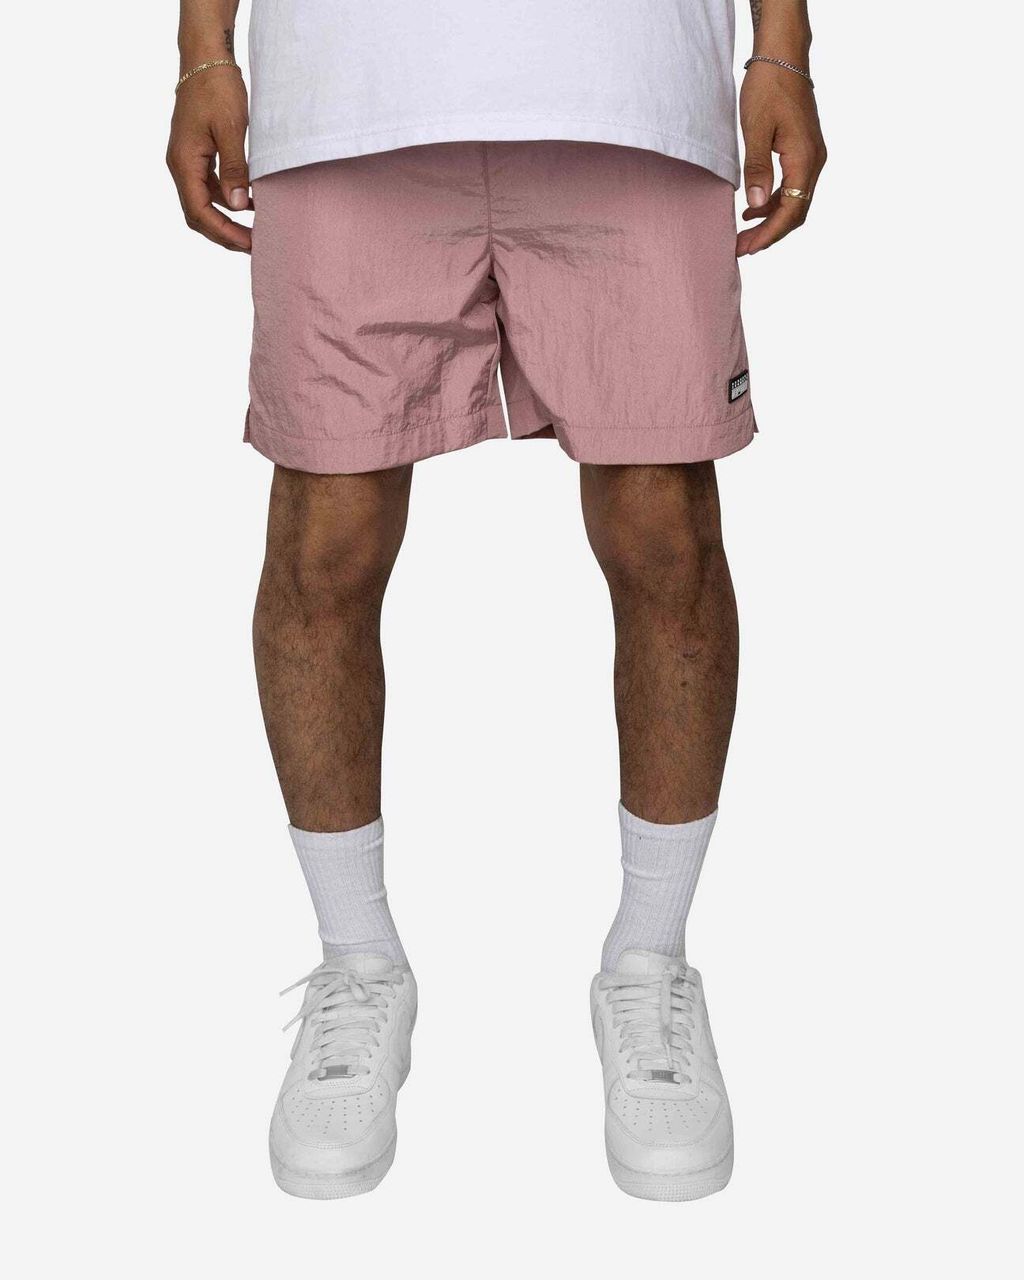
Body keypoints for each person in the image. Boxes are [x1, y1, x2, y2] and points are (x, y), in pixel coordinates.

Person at [167, 0, 826, 1202]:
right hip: (348, 91)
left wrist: (781, 47)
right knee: (327, 534)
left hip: (626, 85)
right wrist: (200, 51)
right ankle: (357, 963)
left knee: (663, 528)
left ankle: (649, 962)